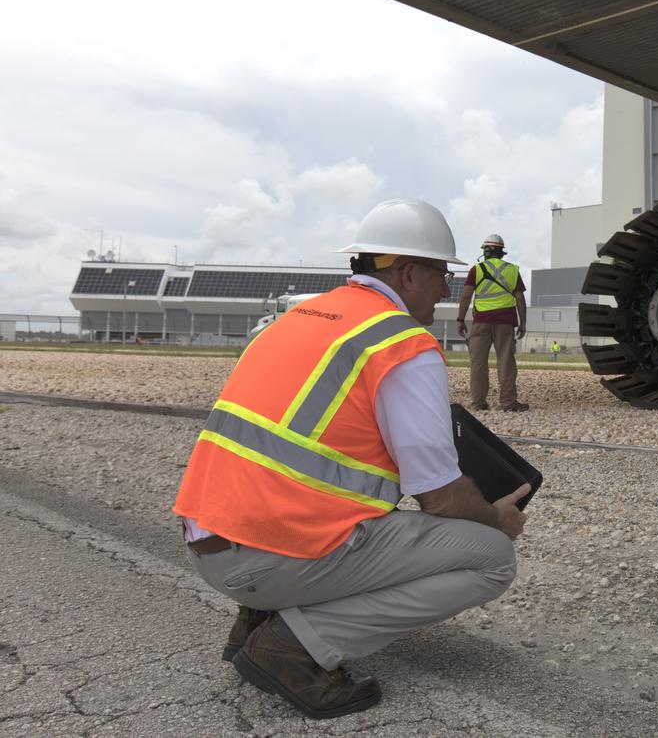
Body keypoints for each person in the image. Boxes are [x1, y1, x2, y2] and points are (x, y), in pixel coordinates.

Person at [173, 198, 530, 719]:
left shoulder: (300, 317)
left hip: (208, 543)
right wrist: (498, 518)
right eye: (440, 273)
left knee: (353, 507)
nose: (447, 288)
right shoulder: (402, 343)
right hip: (267, 557)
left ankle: (260, 618)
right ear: (407, 273)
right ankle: (294, 645)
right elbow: (440, 497)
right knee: (492, 557)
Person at [455, 234, 529, 412]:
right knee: (506, 362)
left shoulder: (476, 270)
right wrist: (523, 323)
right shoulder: (512, 270)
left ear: (485, 251)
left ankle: (479, 403)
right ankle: (508, 403)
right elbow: (520, 299)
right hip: (505, 323)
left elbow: (466, 296)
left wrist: (460, 319)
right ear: (502, 252)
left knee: (478, 363)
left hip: (481, 322)